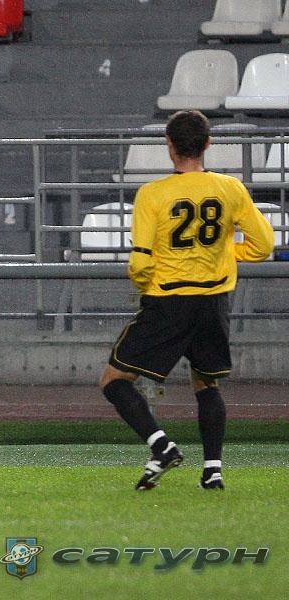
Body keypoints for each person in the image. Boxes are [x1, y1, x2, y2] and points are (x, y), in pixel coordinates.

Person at [99, 110, 275, 491]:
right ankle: (213, 471)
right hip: (213, 301)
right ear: (208, 144)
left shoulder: (152, 194)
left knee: (114, 379)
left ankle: (161, 447)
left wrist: (145, 285)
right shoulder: (230, 189)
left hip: (168, 300)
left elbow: (141, 262)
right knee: (206, 384)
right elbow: (264, 245)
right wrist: (226, 254)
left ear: (169, 146)